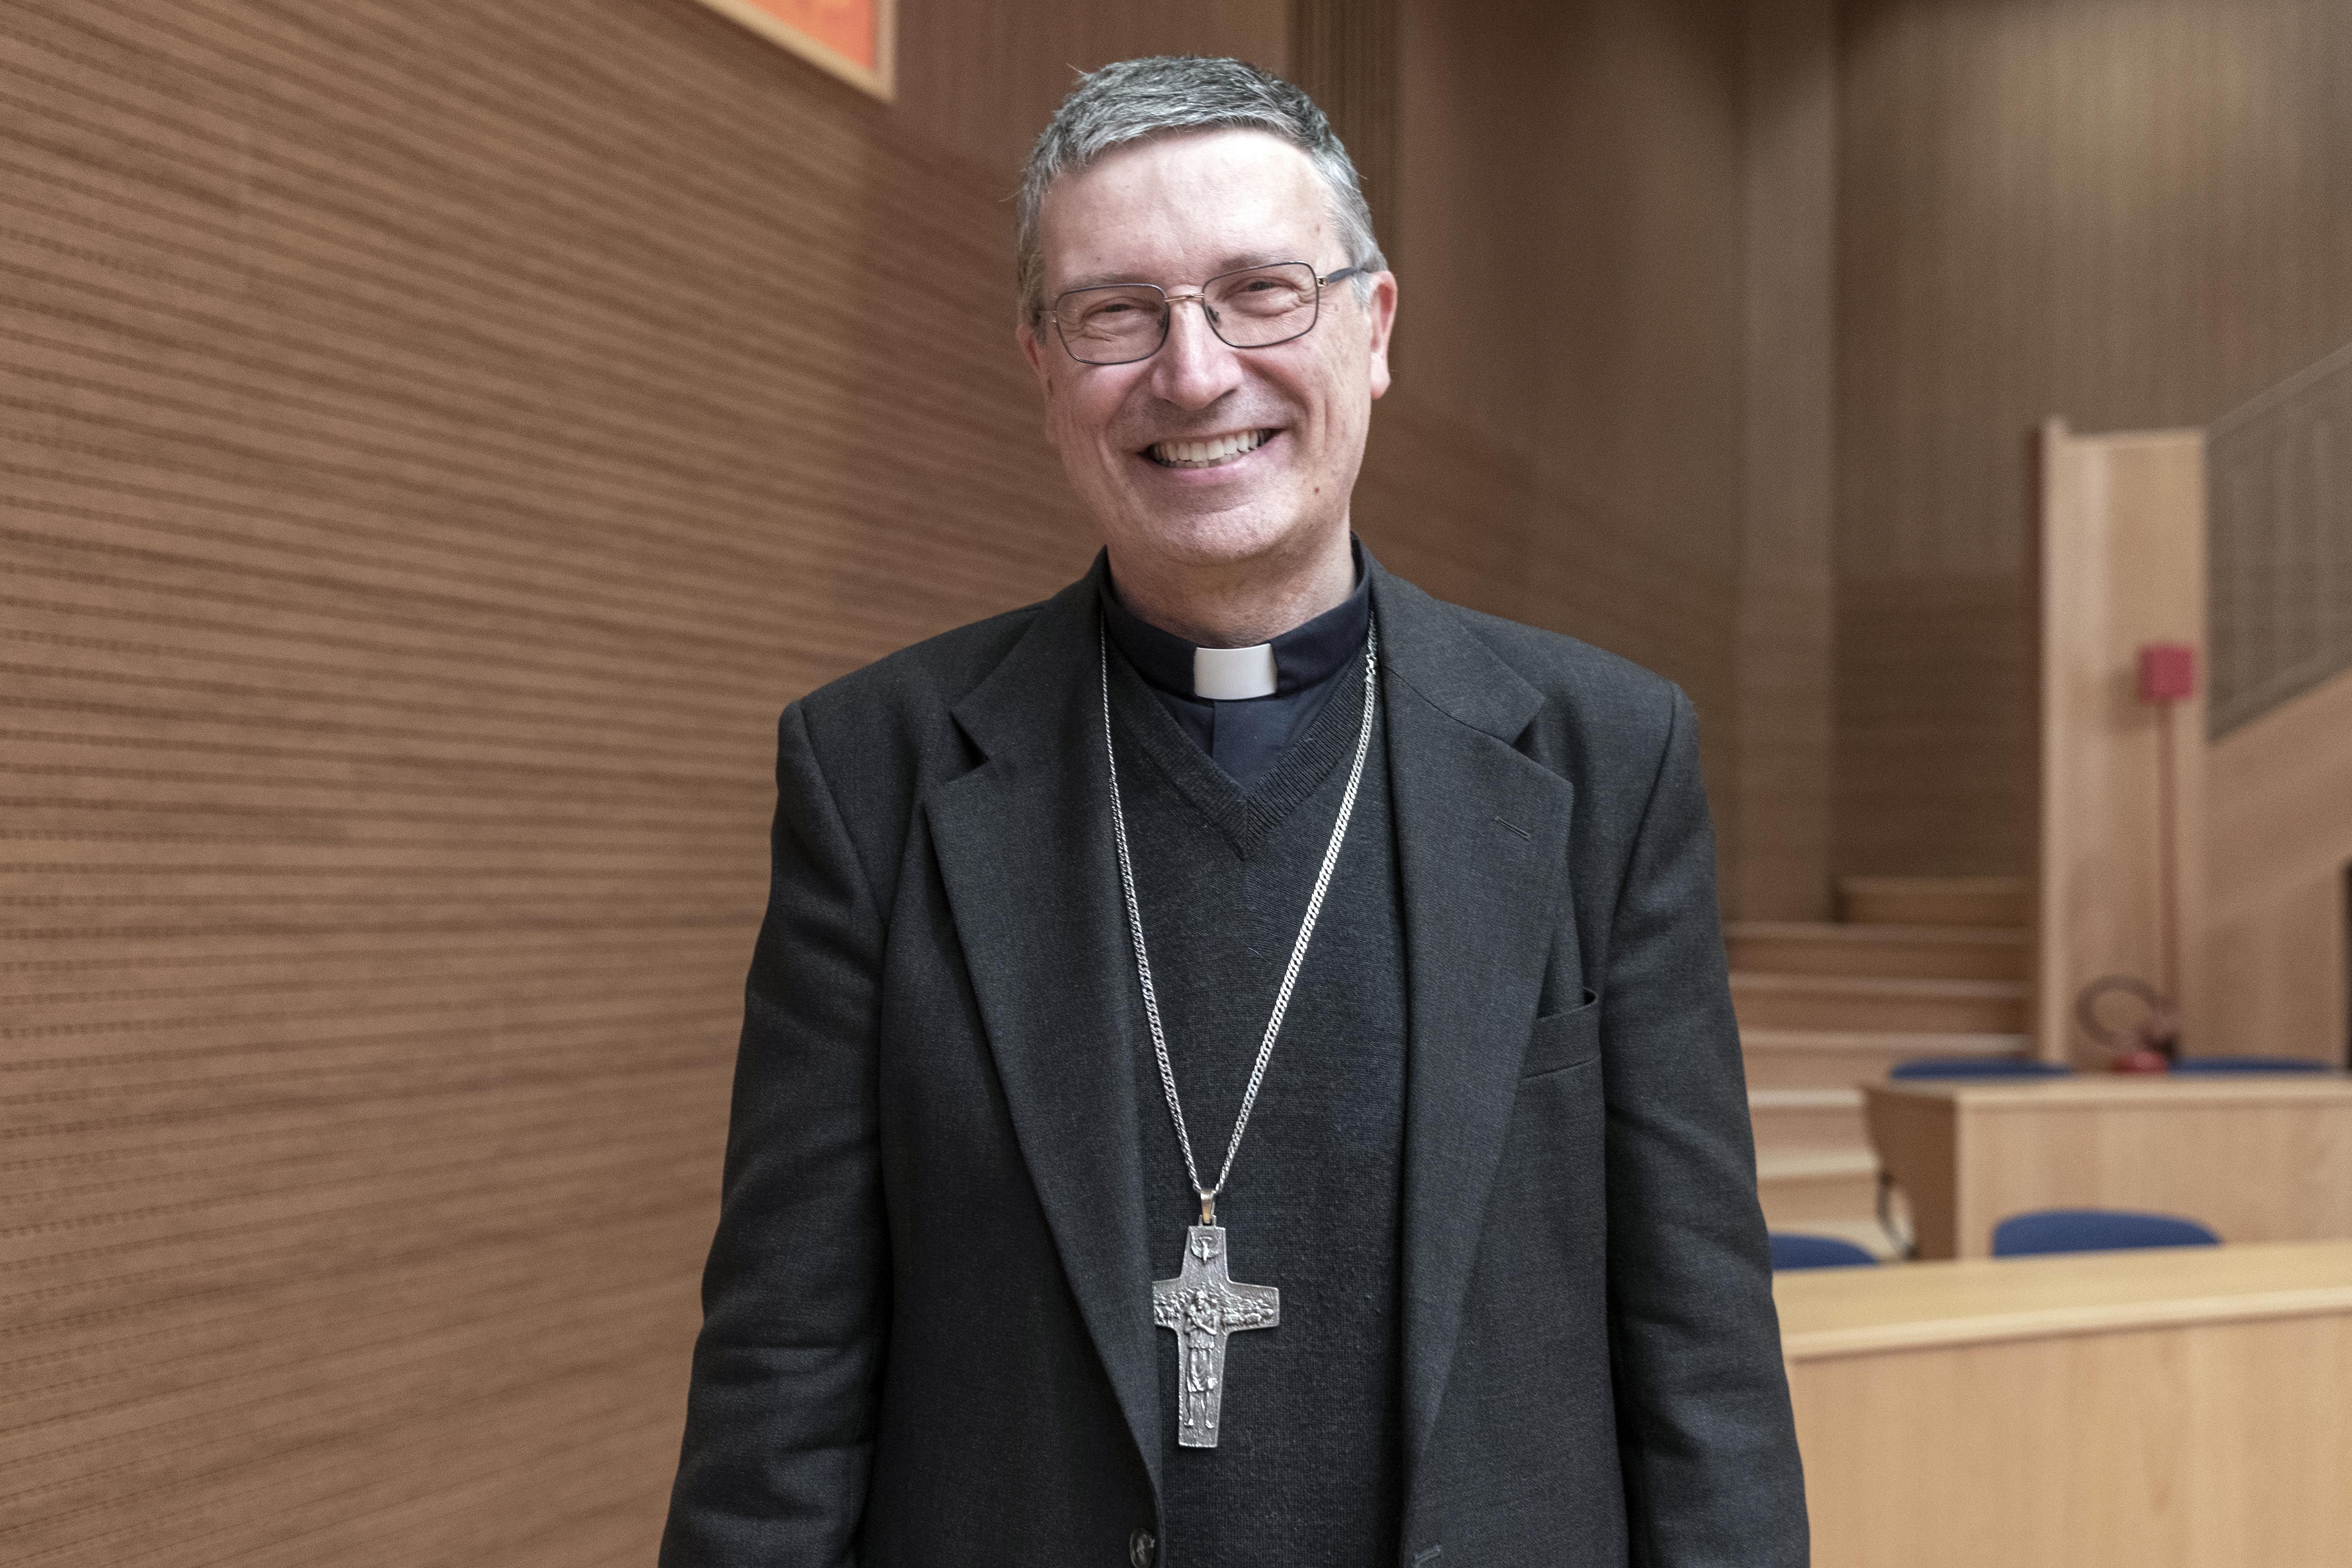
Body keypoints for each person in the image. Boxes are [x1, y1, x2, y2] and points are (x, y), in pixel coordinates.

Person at [659, 55, 1805, 1568]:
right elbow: (784, 1369)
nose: (1192, 374)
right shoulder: (876, 772)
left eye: (1261, 291)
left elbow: (1699, 1349)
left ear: (1373, 326)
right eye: (1114, 314)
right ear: (1040, 365)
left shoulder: (1604, 755)